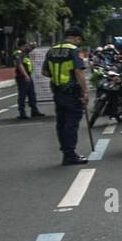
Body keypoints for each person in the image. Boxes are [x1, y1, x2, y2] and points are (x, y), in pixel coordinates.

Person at [42, 26, 89, 165]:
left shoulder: (51, 50)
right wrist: (85, 91)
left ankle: (66, 151)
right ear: (76, 37)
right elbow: (78, 72)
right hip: (72, 92)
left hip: (57, 91)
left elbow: (44, 72)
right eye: (79, 40)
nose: (79, 42)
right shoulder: (74, 51)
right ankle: (70, 154)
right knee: (71, 123)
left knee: (61, 123)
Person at [14, 41, 44, 119]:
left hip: (28, 75)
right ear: (22, 46)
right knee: (22, 95)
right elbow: (19, 64)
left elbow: (32, 48)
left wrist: (34, 45)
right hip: (22, 76)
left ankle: (34, 111)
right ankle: (22, 113)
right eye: (25, 45)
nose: (27, 47)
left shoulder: (25, 52)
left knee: (32, 94)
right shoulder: (18, 53)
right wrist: (25, 75)